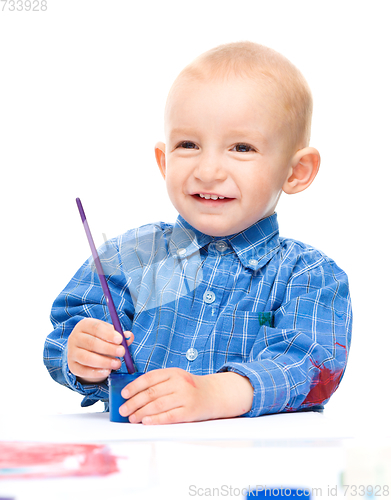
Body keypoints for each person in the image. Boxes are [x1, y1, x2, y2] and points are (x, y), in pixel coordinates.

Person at [44, 41, 352, 425]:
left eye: (241, 148)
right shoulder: (132, 256)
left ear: (296, 171)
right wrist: (81, 354)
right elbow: (67, 333)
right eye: (188, 144)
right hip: (134, 464)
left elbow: (310, 366)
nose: (208, 171)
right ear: (164, 159)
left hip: (250, 465)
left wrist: (214, 394)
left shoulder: (309, 276)